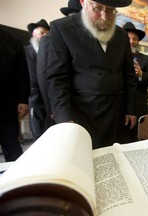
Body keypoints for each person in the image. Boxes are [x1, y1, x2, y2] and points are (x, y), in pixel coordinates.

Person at [46, 0, 137, 149]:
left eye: (110, 10)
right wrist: (64, 118)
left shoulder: (121, 35)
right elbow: (57, 78)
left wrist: (131, 109)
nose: (104, 16)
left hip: (117, 112)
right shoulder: (62, 28)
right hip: (83, 113)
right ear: (83, 2)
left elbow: (129, 75)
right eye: (97, 8)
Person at [37, 0, 82, 130]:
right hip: (59, 107)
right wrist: (53, 109)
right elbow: (44, 76)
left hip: (80, 108)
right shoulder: (50, 39)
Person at [123, 22, 148, 141]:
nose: (131, 41)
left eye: (135, 39)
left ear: (138, 41)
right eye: (128, 38)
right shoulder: (116, 57)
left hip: (139, 106)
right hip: (120, 106)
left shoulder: (146, 60)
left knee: (137, 138)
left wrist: (141, 74)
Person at [0, 28, 30, 161]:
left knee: (12, 147)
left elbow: (22, 73)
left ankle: (19, 180)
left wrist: (23, 100)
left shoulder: (13, 40)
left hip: (7, 104)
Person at [25, 19, 50, 142]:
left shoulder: (51, 52)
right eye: (42, 33)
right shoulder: (26, 51)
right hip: (35, 100)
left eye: (47, 33)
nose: (45, 36)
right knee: (38, 135)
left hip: (49, 100)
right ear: (34, 34)